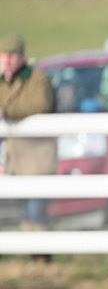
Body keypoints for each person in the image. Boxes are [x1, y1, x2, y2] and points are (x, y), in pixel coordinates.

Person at [0, 32, 56, 232]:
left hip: (37, 157)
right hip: (14, 158)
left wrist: (7, 113)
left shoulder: (37, 79)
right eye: (3, 55)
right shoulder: (2, 82)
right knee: (24, 211)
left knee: (36, 210)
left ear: (22, 57)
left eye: (11, 55)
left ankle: (42, 257)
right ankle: (34, 256)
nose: (6, 60)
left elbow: (40, 105)